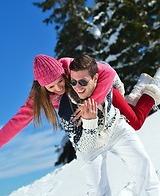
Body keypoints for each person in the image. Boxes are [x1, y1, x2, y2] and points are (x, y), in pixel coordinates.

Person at [57, 55, 160, 196]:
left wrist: (119, 93)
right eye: (73, 82)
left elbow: (112, 77)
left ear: (96, 78)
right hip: (89, 147)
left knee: (141, 162)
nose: (77, 87)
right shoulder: (66, 109)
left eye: (82, 81)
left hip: (115, 128)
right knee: (98, 193)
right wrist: (88, 122)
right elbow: (86, 148)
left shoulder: (105, 83)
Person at [0, 54, 160, 148]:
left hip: (105, 91)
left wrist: (90, 103)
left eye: (60, 81)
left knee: (136, 123)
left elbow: (108, 72)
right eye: (51, 86)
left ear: (63, 72)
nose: (58, 88)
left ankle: (155, 87)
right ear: (42, 87)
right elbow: (18, 121)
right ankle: (142, 86)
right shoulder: (38, 97)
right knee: (127, 120)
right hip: (96, 111)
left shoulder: (70, 66)